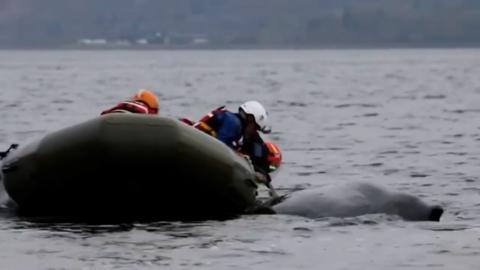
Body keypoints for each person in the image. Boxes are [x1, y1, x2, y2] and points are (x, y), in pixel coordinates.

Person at [194, 101, 280, 193]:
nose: (254, 132)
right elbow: (220, 148)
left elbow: (256, 147)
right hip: (196, 147)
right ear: (249, 119)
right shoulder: (233, 122)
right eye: (255, 128)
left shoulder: (237, 127)